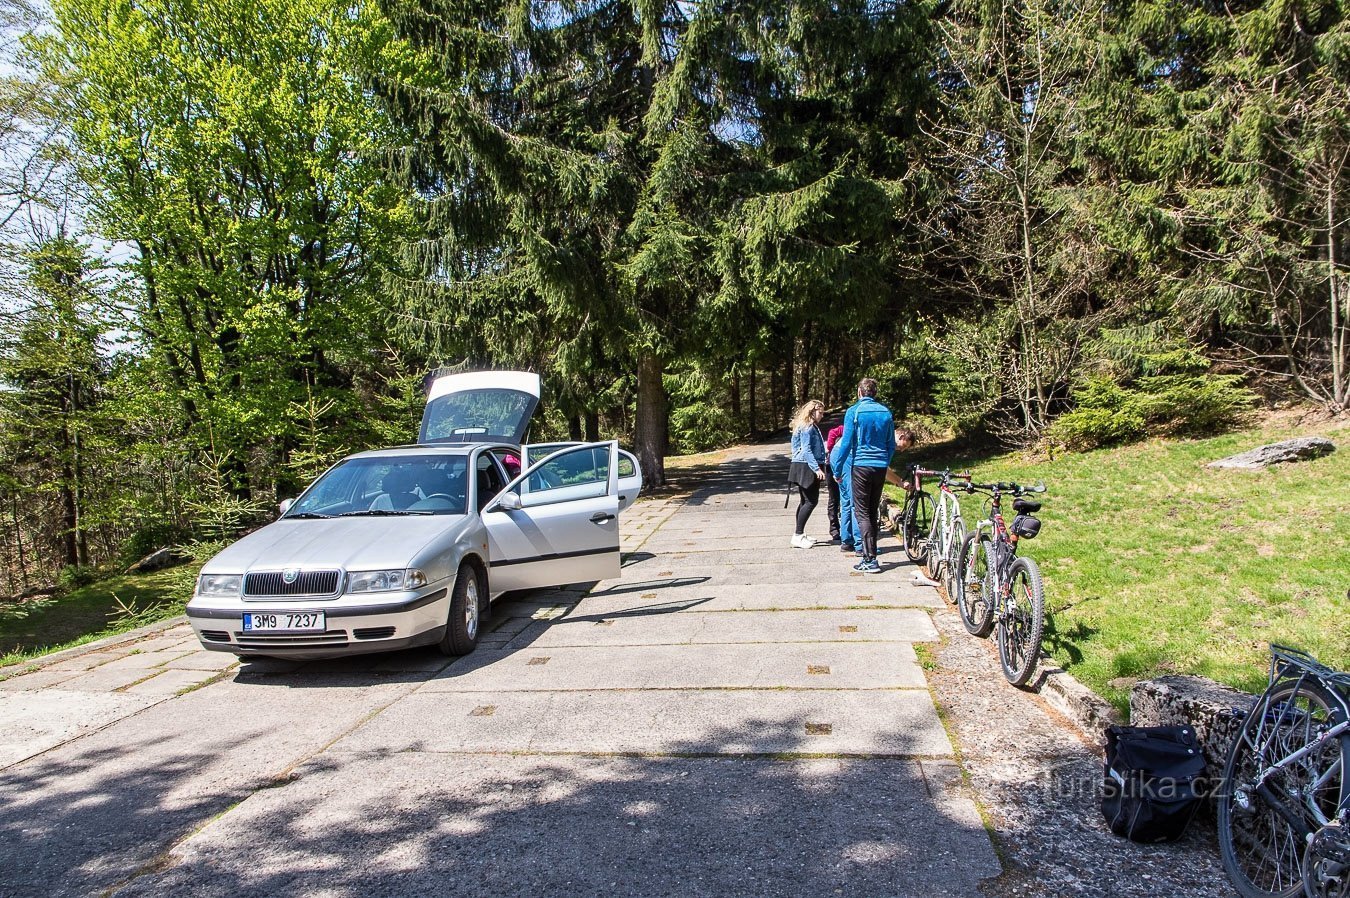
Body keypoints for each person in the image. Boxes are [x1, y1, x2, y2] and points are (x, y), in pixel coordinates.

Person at [830, 378, 895, 573]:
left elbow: (847, 442)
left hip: (860, 465)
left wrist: (837, 468)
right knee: (872, 509)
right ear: (875, 393)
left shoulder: (854, 411)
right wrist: (885, 460)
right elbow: (891, 444)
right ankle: (870, 553)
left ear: (860, 392)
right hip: (880, 467)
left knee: (862, 511)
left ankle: (870, 559)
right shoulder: (885, 412)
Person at [786, 400, 827, 548]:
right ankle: (797, 535)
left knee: (804, 501)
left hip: (803, 465)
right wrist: (816, 469)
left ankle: (800, 533)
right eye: (820, 412)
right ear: (812, 411)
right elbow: (806, 450)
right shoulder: (807, 427)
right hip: (805, 466)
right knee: (811, 501)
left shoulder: (809, 426)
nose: (822, 415)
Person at [824, 424, 845, 543]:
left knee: (843, 498)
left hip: (847, 466)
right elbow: (832, 433)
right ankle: (834, 528)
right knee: (834, 497)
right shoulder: (843, 429)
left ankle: (845, 528)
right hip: (831, 465)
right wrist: (830, 449)